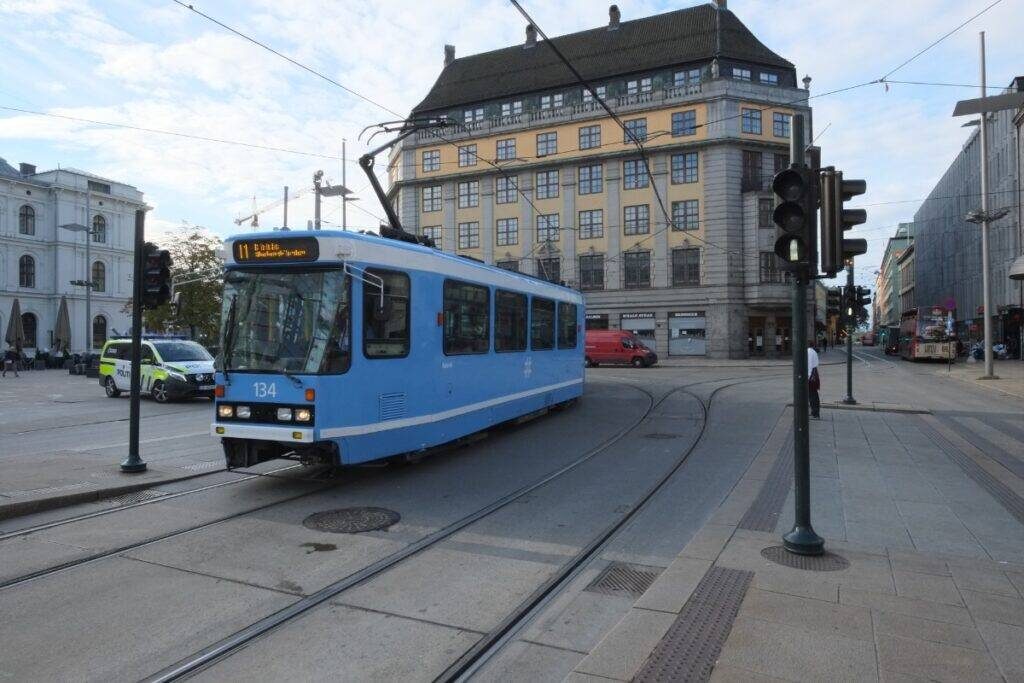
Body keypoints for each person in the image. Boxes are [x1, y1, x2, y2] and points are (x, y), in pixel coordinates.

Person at [807, 342, 820, 419]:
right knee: (813, 394)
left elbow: (809, 365)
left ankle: (815, 414)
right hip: (815, 374)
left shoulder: (808, 352)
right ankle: (814, 412)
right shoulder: (813, 351)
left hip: (811, 375)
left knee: (812, 395)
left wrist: (808, 377)